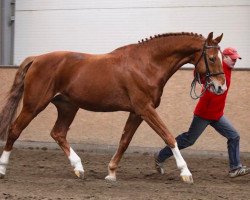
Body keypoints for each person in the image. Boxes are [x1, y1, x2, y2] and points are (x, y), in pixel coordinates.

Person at [154, 47, 250, 178]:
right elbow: (197, 72)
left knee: (234, 136)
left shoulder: (226, 70)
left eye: (236, 59)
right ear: (225, 57)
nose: (235, 61)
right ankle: (160, 156)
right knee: (188, 140)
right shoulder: (215, 68)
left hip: (217, 115)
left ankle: (235, 168)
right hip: (203, 114)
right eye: (232, 59)